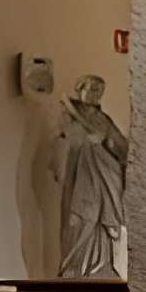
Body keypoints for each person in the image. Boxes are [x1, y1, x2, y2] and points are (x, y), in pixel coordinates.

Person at [56, 75, 129, 278]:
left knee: (101, 232)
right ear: (80, 89)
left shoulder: (102, 119)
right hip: (81, 182)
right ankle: (75, 270)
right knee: (78, 224)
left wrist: (109, 147)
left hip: (105, 182)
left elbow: (121, 147)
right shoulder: (67, 115)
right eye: (92, 89)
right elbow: (68, 144)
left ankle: (98, 267)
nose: (96, 94)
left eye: (99, 90)